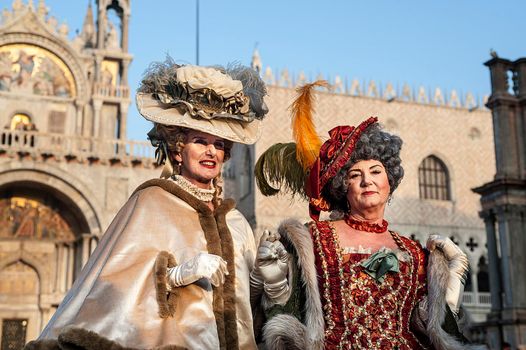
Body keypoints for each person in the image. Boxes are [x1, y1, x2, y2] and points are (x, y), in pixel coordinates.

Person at [26, 60, 268, 350]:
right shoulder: (150, 203)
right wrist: (176, 274)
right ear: (178, 150)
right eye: (200, 141)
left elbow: (250, 307)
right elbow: (115, 290)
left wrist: (271, 280)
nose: (210, 152)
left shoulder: (237, 222)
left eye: (218, 144)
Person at [253, 81, 482, 349]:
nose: (367, 181)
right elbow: (287, 317)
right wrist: (275, 284)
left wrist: (452, 285)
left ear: (389, 180)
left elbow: (429, 327)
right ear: (343, 187)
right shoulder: (312, 240)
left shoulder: (414, 251)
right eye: (355, 175)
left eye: (376, 171)